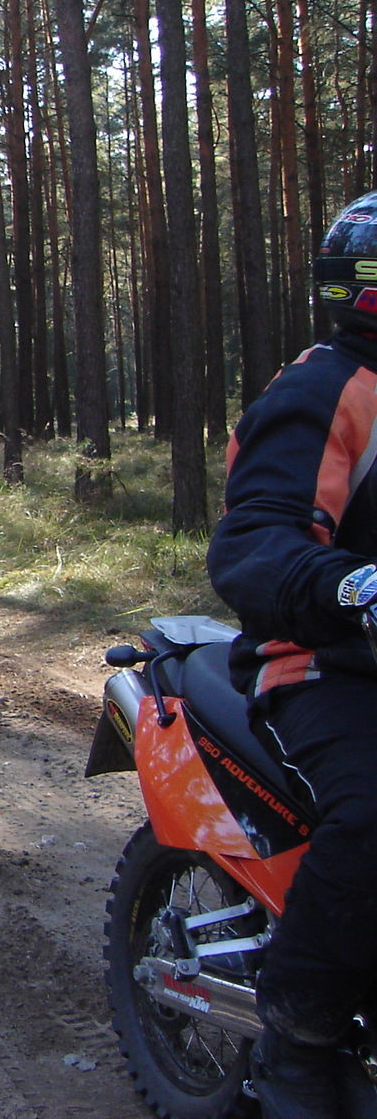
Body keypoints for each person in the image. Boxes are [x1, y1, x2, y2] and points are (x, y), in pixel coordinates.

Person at [209, 191, 377, 1119]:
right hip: (324, 661)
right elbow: (256, 538)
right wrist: (348, 585)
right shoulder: (322, 392)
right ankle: (297, 1046)